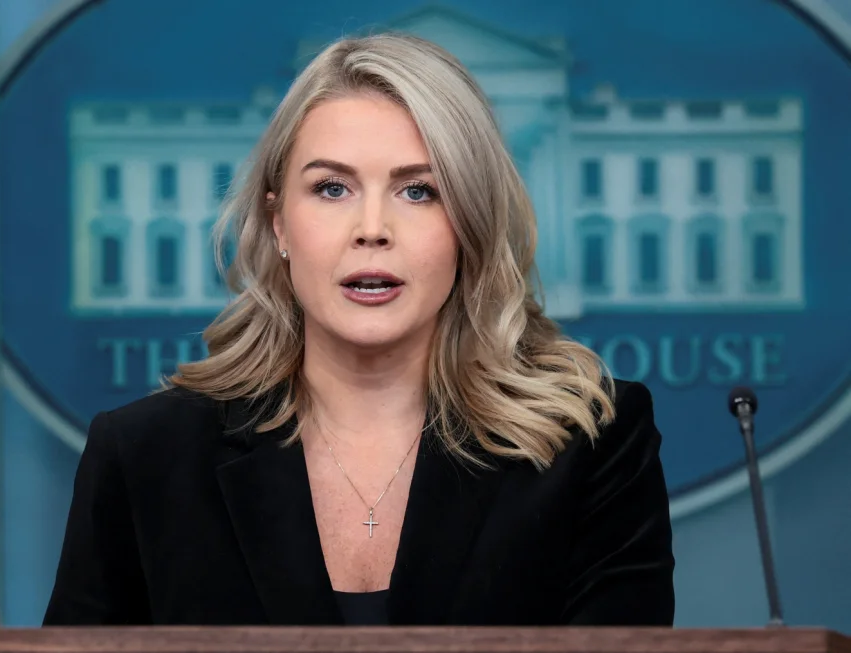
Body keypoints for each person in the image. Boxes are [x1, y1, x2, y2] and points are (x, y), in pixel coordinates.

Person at [43, 33, 674, 626]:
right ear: (279, 223)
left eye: (419, 191)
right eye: (332, 188)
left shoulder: (592, 445)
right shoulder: (143, 456)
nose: (372, 228)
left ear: (470, 224)